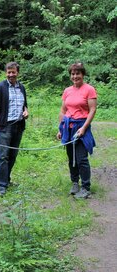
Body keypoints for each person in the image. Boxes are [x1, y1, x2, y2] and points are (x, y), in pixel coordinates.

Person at [57, 62, 97, 199]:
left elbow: (92, 109)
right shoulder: (67, 91)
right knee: (71, 158)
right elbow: (63, 110)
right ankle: (75, 182)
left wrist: (84, 128)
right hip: (68, 127)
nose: (75, 76)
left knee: (81, 159)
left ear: (83, 74)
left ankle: (86, 187)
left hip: (81, 125)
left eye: (77, 73)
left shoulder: (89, 89)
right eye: (73, 74)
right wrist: (60, 129)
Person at [0, 62, 29, 196]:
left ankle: (7, 179)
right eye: (8, 72)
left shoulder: (21, 88)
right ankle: (2, 185)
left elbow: (25, 105)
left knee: (12, 155)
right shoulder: (0, 87)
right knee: (3, 156)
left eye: (13, 72)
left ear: (18, 73)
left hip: (19, 126)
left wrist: (26, 112)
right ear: (6, 73)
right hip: (5, 127)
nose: (11, 74)